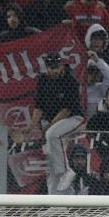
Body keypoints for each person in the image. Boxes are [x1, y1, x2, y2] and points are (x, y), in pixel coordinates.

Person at [22, 52, 85, 195]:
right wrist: (32, 125)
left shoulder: (70, 80)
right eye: (50, 68)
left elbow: (67, 110)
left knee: (52, 135)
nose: (53, 70)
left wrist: (48, 127)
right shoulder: (43, 80)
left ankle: (66, 171)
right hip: (53, 124)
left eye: (56, 67)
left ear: (62, 65)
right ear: (46, 68)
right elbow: (38, 107)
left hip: (74, 119)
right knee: (51, 166)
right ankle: (56, 204)